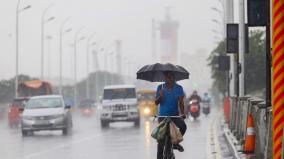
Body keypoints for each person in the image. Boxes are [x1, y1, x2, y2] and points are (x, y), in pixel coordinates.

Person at [155, 71, 187, 159]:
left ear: (173, 77)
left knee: (183, 126)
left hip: (175, 116)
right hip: (162, 117)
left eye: (170, 76)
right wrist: (160, 96)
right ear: (165, 78)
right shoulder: (160, 87)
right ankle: (159, 157)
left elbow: (181, 103)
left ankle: (175, 143)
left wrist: (183, 113)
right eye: (167, 77)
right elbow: (156, 103)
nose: (168, 78)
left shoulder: (179, 88)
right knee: (161, 139)